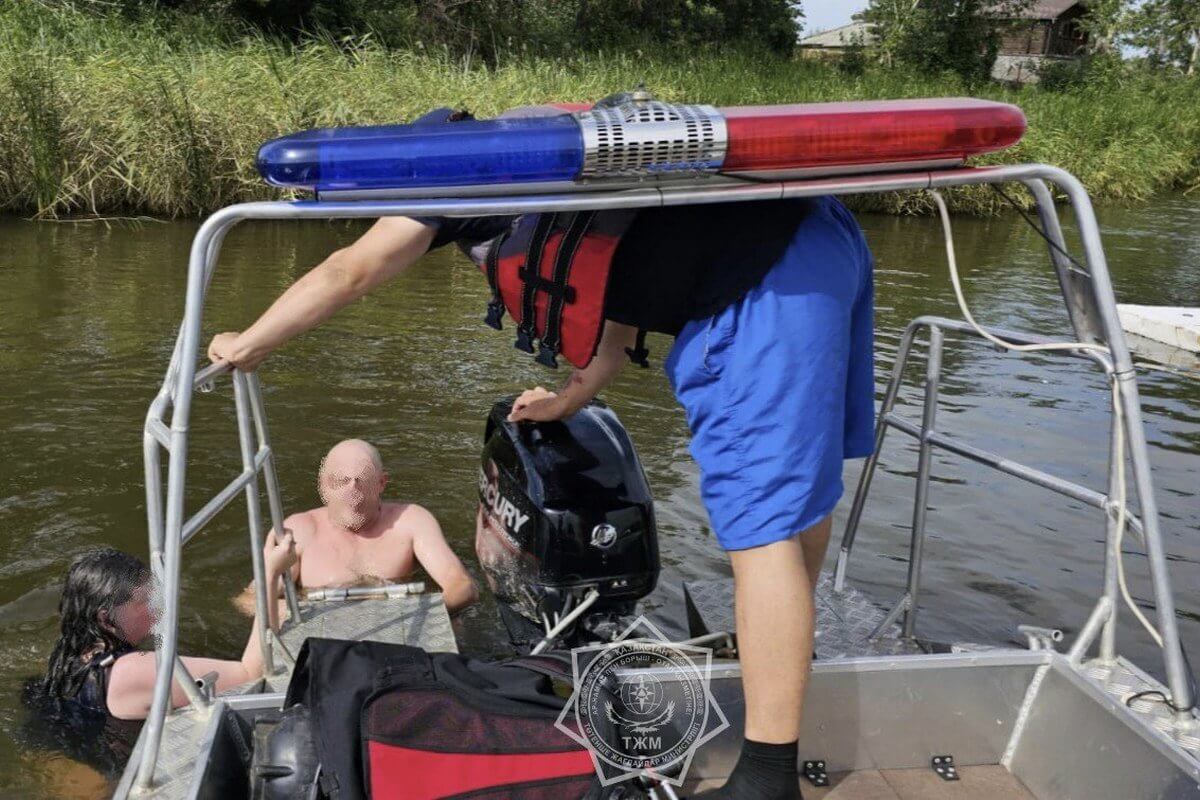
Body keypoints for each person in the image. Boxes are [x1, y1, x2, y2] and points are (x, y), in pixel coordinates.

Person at [208, 108, 874, 800]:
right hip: (817, 234)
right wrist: (569, 399)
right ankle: (776, 666)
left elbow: (351, 269)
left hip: (757, 287)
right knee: (804, 497)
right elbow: (618, 291)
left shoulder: (452, 180)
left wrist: (250, 341)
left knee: (762, 526)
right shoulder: (543, 154)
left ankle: (767, 776)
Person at [43, 543, 295, 720]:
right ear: (107, 619)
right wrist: (269, 577)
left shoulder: (72, 654)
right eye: (144, 601)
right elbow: (250, 674)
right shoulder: (130, 670)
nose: (158, 604)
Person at [234, 438, 479, 616]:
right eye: (341, 481)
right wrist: (314, 613)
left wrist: (411, 613)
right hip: (321, 633)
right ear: (324, 485)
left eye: (362, 481)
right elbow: (249, 600)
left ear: (382, 483)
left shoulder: (412, 521)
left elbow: (462, 586)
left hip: (401, 625)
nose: (352, 491)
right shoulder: (298, 531)